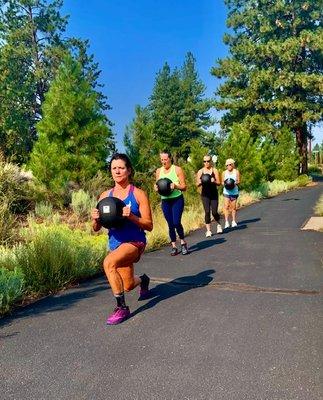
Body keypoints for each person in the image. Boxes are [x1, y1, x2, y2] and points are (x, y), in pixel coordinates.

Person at [91, 153, 153, 325]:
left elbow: (149, 225)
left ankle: (122, 308)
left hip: (135, 241)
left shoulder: (138, 194)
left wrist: (132, 216)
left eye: (121, 168)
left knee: (109, 263)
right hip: (116, 244)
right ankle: (144, 280)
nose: (117, 171)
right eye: (114, 168)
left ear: (129, 170)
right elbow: (96, 229)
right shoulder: (105, 196)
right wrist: (96, 219)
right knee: (128, 285)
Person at [155, 150, 188, 256]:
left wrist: (176, 186)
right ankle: (174, 246)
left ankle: (183, 242)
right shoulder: (158, 171)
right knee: (170, 224)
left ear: (170, 159)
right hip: (165, 200)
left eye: (165, 159)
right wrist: (155, 188)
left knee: (176, 222)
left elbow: (184, 187)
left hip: (177, 199)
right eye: (161, 160)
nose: (163, 162)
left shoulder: (177, 169)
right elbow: (156, 185)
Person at [196, 155, 222, 237]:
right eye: (204, 161)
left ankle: (219, 224)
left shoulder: (215, 170)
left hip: (213, 194)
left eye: (208, 161)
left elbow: (219, 183)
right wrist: (200, 182)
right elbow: (197, 184)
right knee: (207, 212)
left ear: (211, 161)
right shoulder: (200, 172)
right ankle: (208, 231)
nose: (206, 163)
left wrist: (214, 181)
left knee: (214, 212)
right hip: (205, 195)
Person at [222, 158, 240, 229]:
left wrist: (233, 183)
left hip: (234, 191)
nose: (228, 166)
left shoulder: (236, 172)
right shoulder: (224, 173)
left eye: (230, 164)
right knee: (226, 206)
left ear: (233, 165)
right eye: (227, 165)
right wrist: (226, 184)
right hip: (226, 192)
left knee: (233, 207)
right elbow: (222, 182)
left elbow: (238, 181)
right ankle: (226, 222)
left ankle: (233, 221)